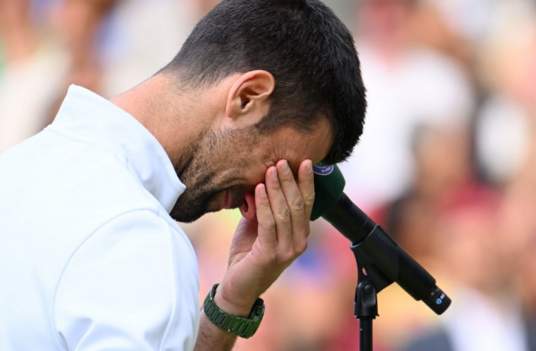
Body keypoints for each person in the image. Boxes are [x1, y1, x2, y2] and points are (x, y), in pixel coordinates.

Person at [0, 1, 367, 350]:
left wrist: (232, 302)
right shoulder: (140, 237)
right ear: (247, 97)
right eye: (280, 167)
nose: (259, 197)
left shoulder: (18, 168)